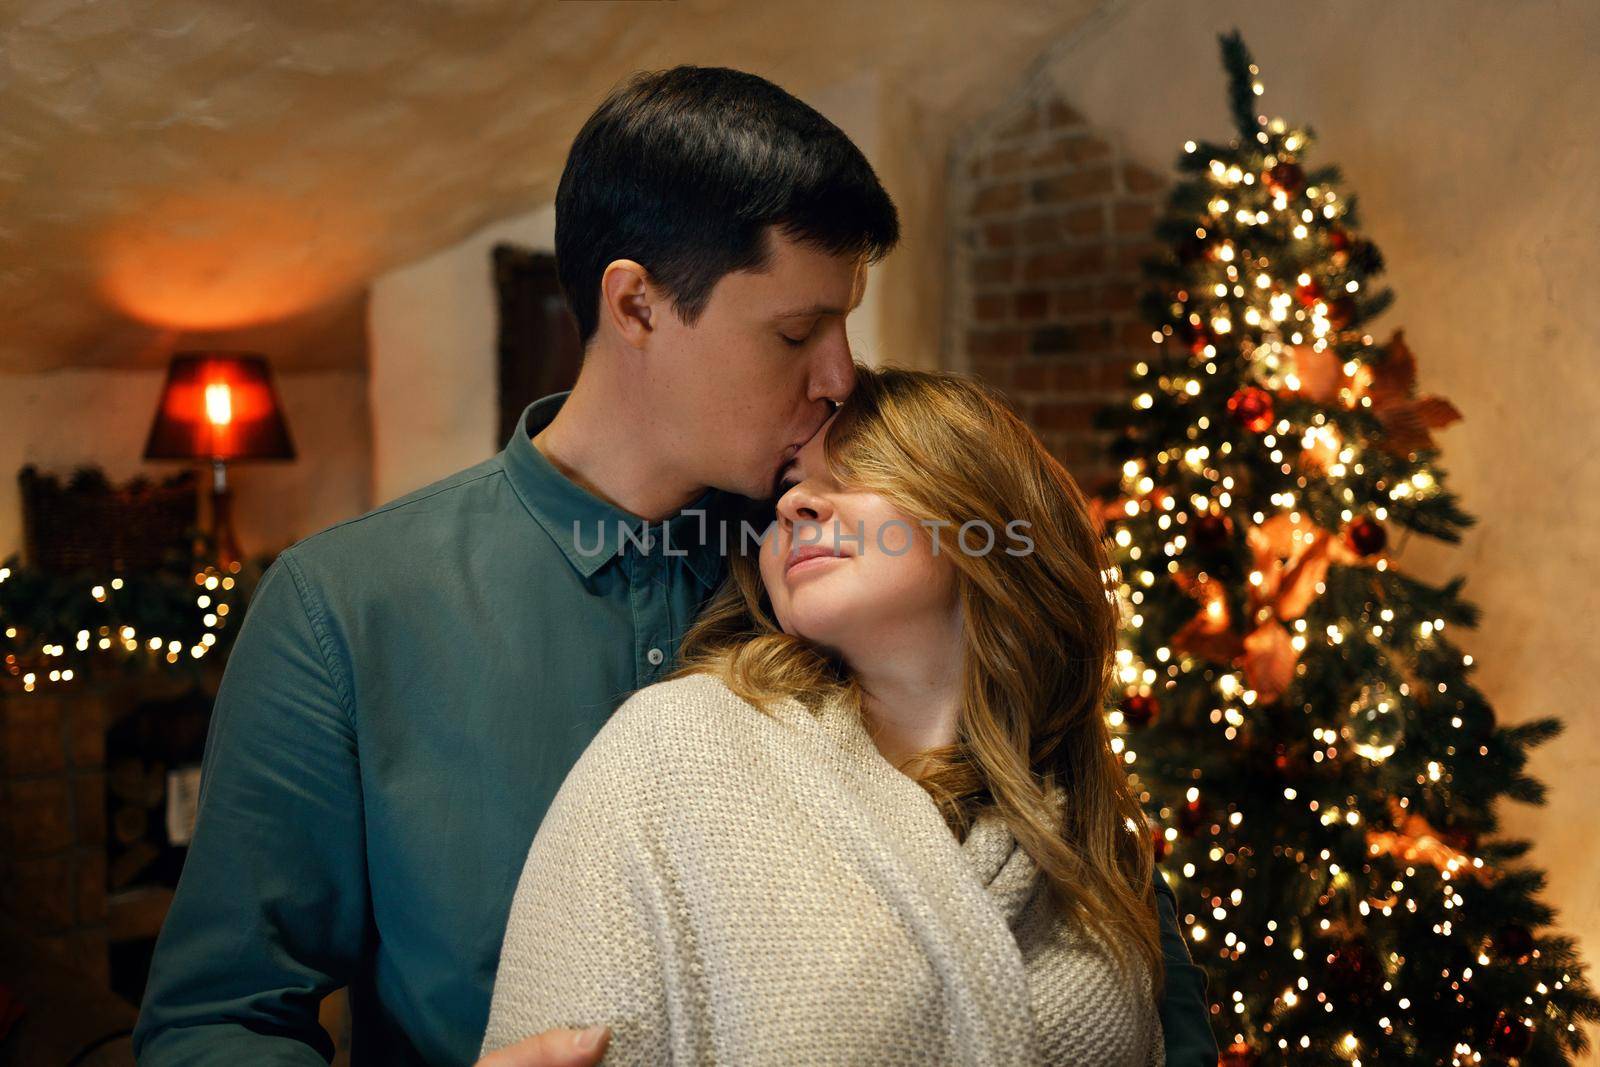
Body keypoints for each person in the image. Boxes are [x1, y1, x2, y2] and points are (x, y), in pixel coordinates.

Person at [133, 65, 1215, 1066]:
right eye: (797, 332)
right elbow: (212, 1023)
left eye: (843, 326)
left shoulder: (841, 562)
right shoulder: (346, 609)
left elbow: (1094, 888)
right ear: (637, 304)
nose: (840, 374)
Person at [477, 365, 1216, 1065]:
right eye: (788, 490)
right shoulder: (673, 751)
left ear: (983, 512)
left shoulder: (1082, 835)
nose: (793, 505)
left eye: (855, 473)